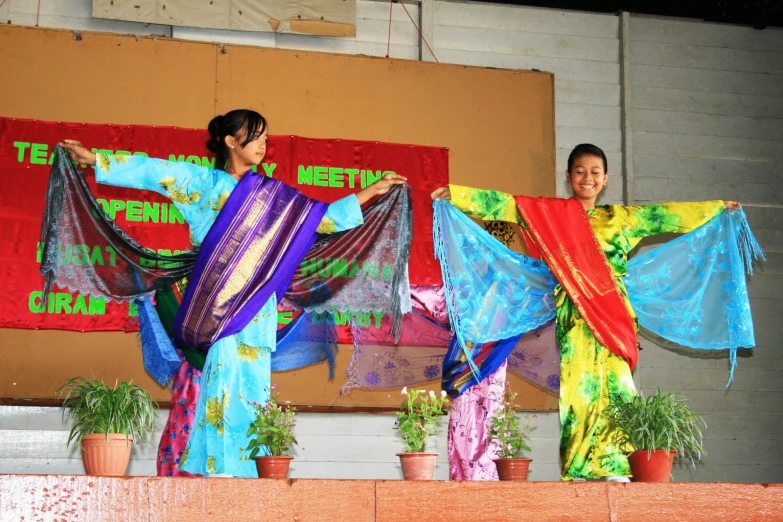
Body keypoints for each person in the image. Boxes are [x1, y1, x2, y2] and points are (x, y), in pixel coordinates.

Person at [60, 109, 406, 477]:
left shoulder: (273, 197)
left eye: (265, 138)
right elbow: (152, 171)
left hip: (257, 313)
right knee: (223, 395)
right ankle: (224, 478)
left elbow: (322, 220)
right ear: (230, 141)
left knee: (254, 397)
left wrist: (373, 191)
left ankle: (246, 480)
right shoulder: (203, 183)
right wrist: (96, 158)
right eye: (255, 136)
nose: (262, 143)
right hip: (219, 309)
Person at [431, 143, 740, 481]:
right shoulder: (551, 215)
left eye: (595, 172)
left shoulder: (619, 219)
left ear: (605, 179)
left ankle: (618, 466)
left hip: (613, 318)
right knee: (579, 393)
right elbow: (508, 205)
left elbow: (665, 215)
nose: (587, 178)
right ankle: (579, 470)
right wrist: (458, 195)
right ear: (568, 177)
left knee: (618, 390)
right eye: (580, 171)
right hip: (574, 318)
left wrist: (716, 209)